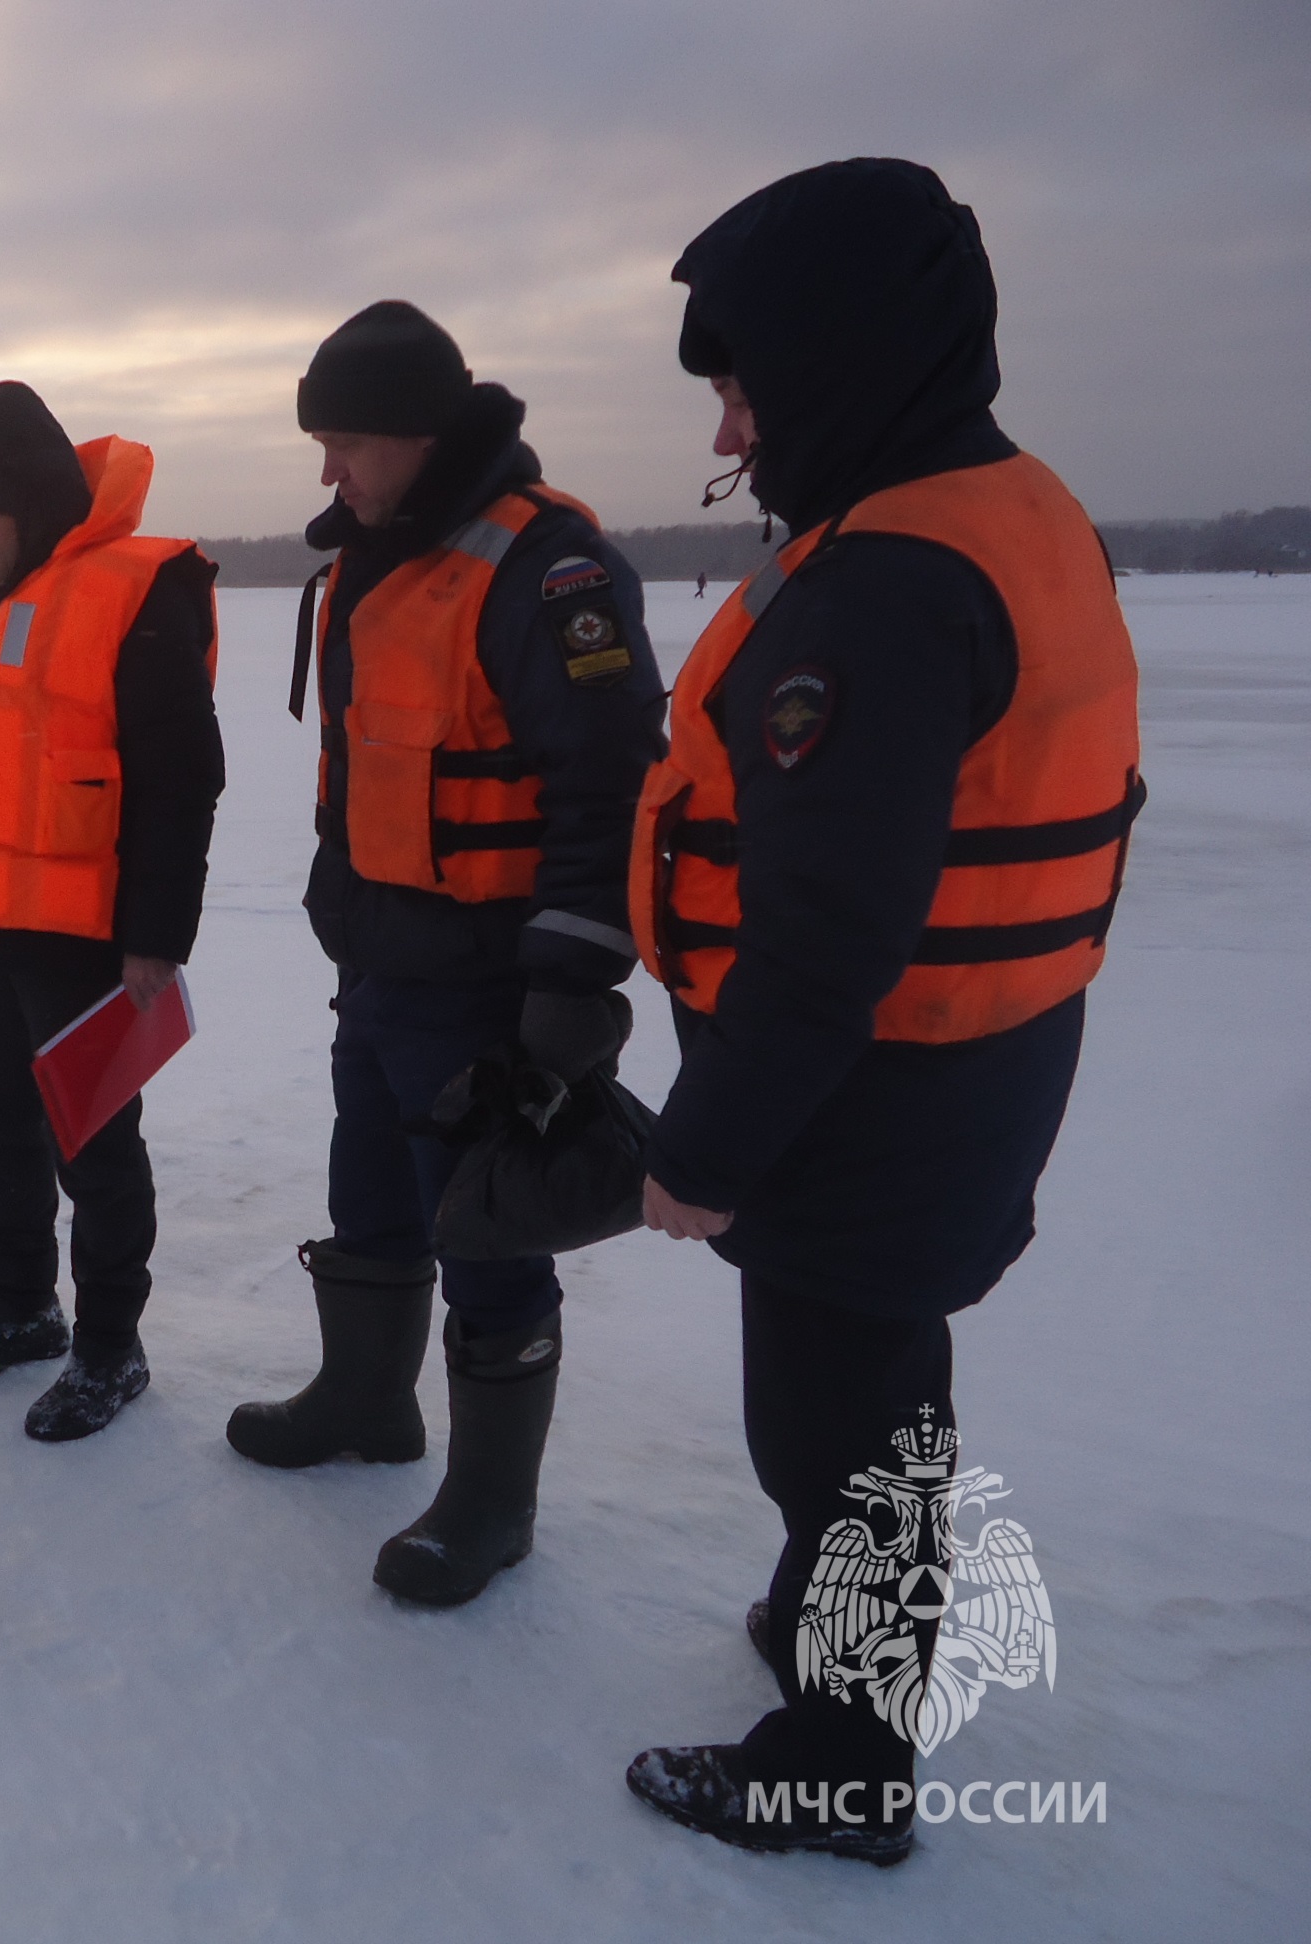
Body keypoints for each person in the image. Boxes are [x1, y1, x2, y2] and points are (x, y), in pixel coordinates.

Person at [624, 160, 1142, 1864]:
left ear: (836, 358)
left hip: (873, 1078)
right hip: (971, 1057)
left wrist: (704, 1150)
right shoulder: (1011, 507)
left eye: (742, 377)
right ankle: (827, 1619)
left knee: (840, 1421)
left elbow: (826, 928)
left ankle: (838, 1757)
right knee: (876, 1395)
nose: (730, 415)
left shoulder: (883, 587)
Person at [225, 302, 663, 1605]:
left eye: (346, 442)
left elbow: (609, 786)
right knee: (370, 1180)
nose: (327, 473)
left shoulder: (546, 570)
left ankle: (491, 1505)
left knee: (485, 1225)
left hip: (489, 978)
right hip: (381, 959)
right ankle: (367, 1401)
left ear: (418, 434)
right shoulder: (378, 553)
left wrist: (572, 983)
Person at [0, 381, 224, 1441]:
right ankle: (22, 1310)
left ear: (33, 505)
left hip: (84, 934)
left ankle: (108, 1347)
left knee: (93, 1145)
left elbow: (182, 778)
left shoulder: (137, 588)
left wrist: (156, 940)